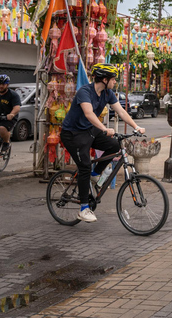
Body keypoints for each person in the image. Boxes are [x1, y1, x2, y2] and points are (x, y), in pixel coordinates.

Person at [60, 63, 145, 223]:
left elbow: (120, 111)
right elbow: (89, 113)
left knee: (113, 146)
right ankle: (84, 208)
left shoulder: (108, 93)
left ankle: (95, 174)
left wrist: (136, 126)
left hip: (89, 131)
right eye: (113, 79)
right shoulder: (84, 92)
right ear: (104, 79)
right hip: (72, 134)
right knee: (84, 165)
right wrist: (104, 128)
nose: (115, 82)